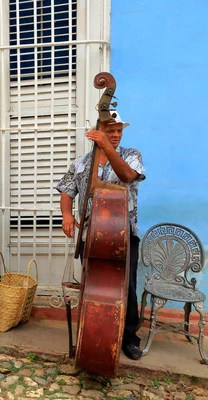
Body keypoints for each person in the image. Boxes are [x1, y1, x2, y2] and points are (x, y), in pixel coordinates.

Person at [55, 111, 145, 360]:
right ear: (98, 131)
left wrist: (107, 147)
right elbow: (66, 189)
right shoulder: (81, 162)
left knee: (127, 287)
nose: (115, 135)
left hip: (123, 233)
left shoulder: (132, 155)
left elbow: (127, 177)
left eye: (119, 131)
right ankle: (93, 332)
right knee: (92, 287)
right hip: (91, 235)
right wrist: (66, 214)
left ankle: (129, 338)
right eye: (110, 131)